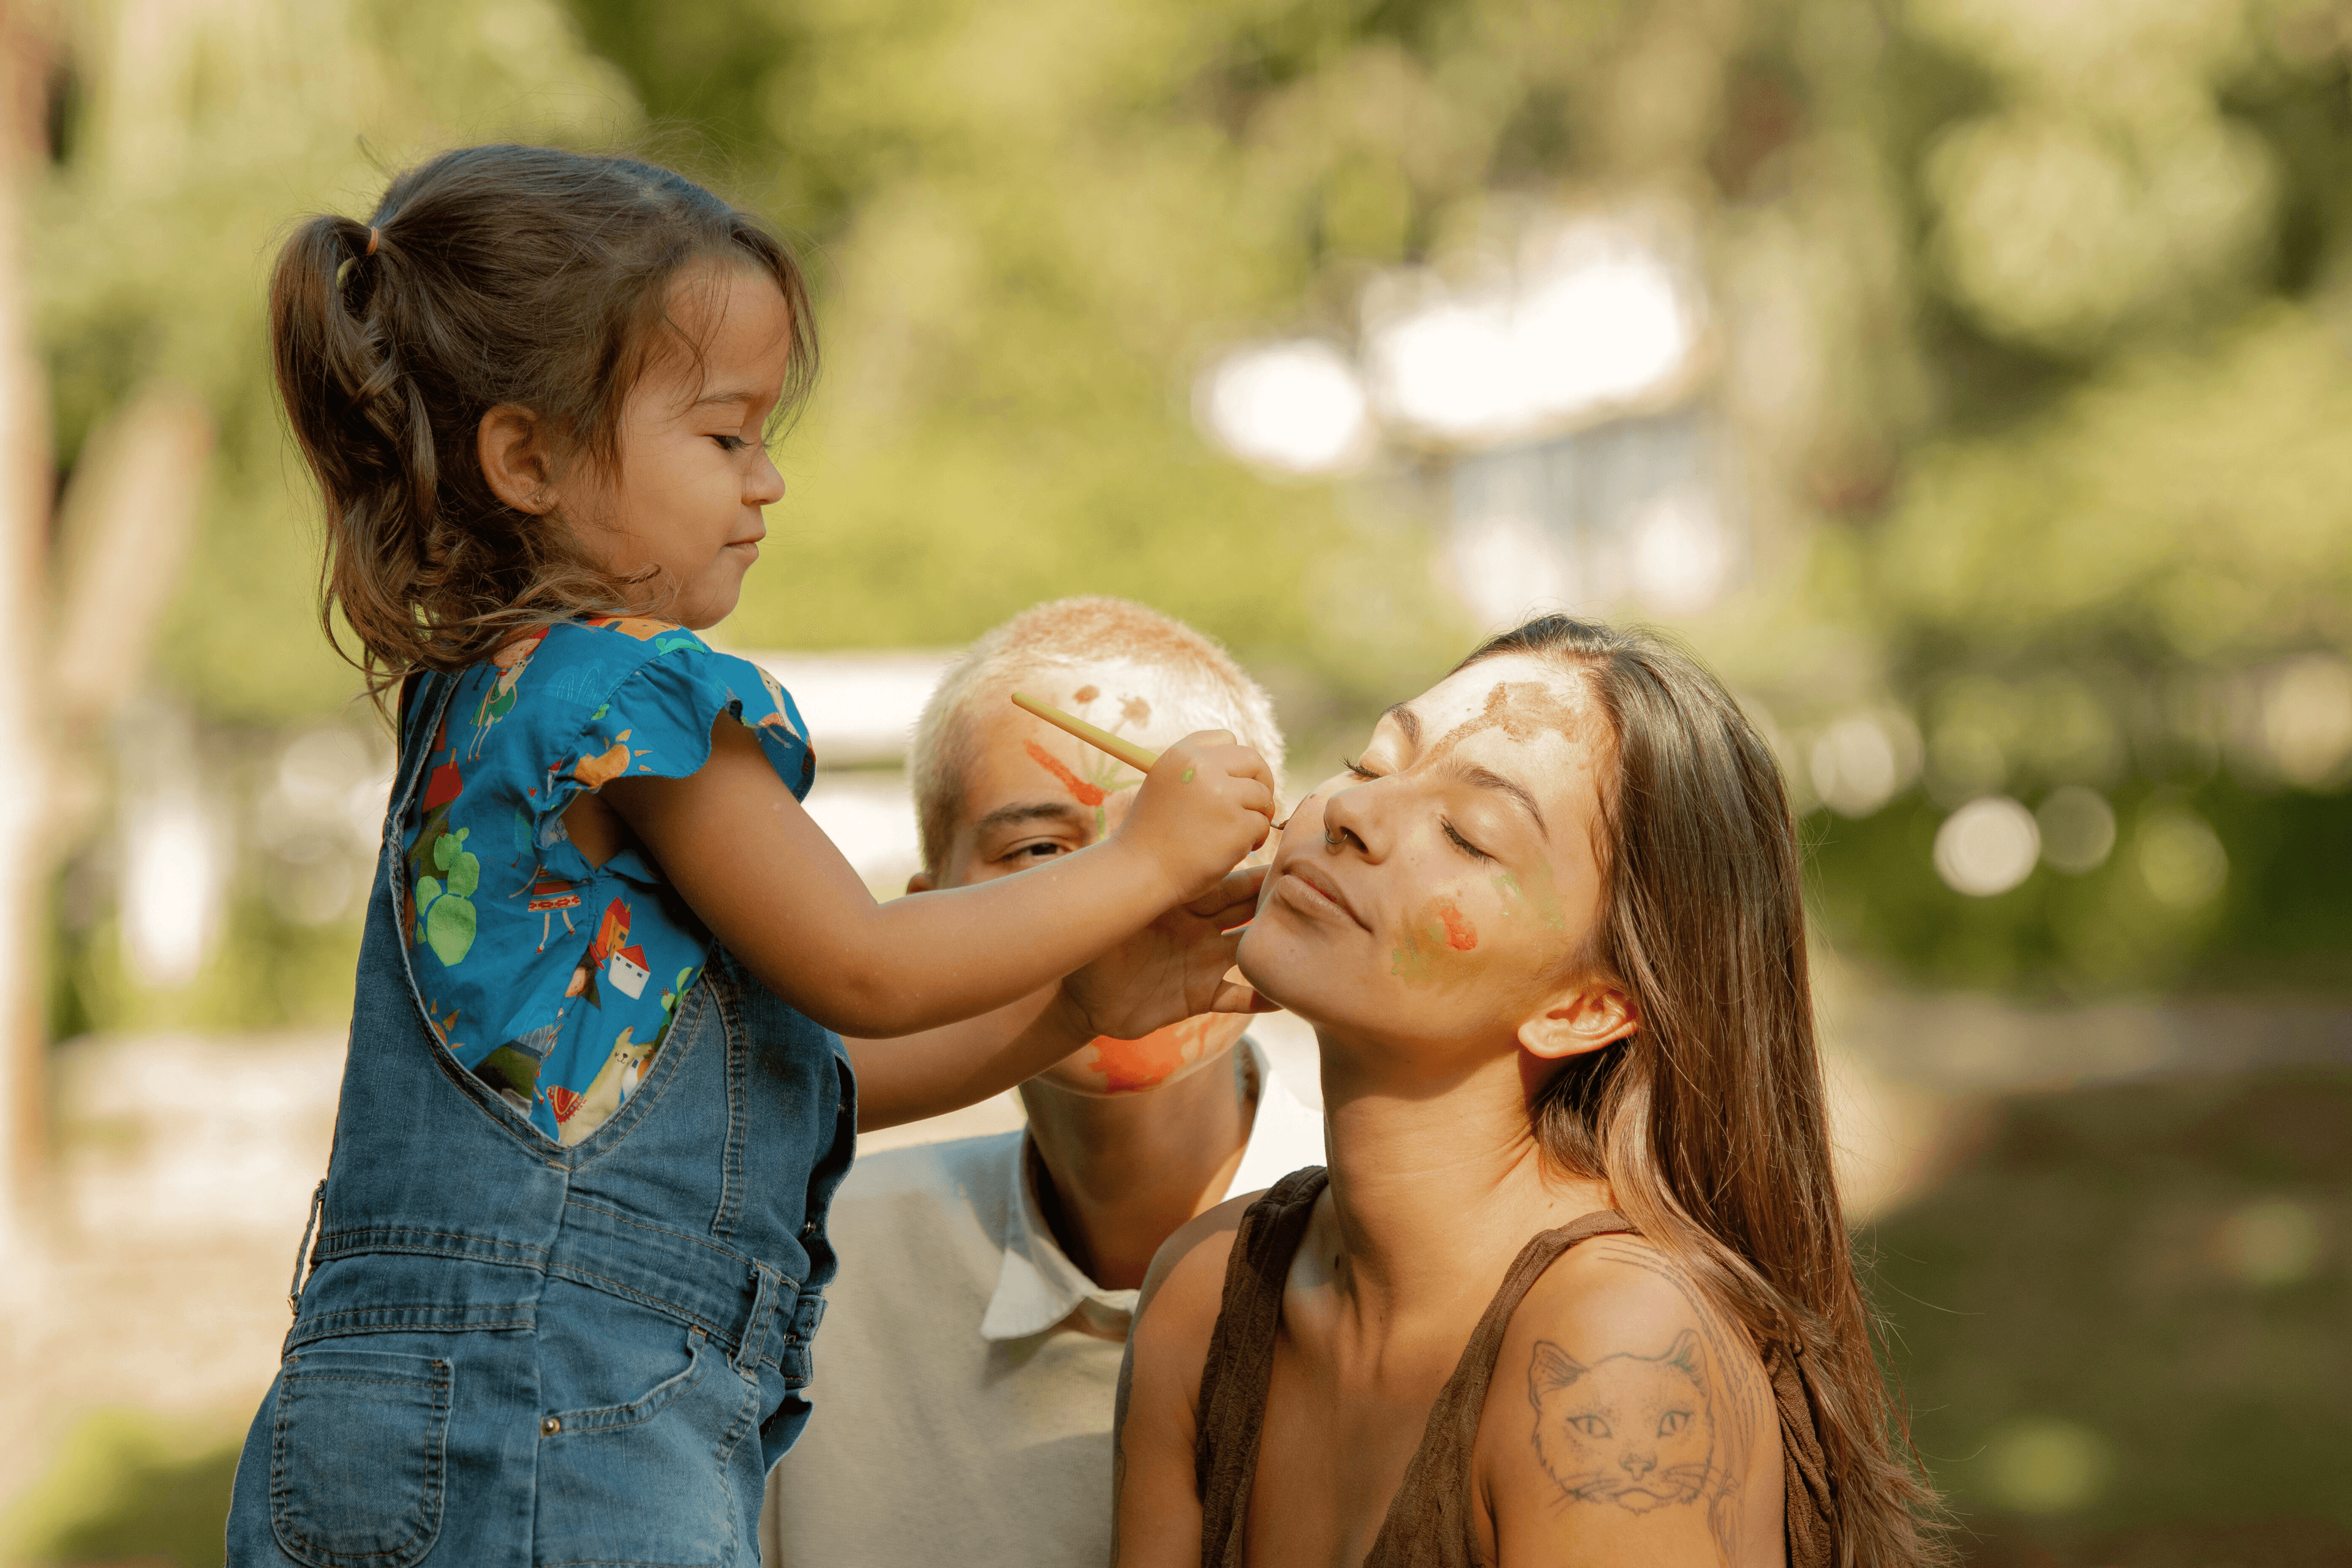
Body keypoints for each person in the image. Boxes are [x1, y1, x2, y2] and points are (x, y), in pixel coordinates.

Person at [225, 145, 1276, 1568]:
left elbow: (790, 1081)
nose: (767, 481)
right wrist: (1145, 859)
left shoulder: (482, 708)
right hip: (565, 1406)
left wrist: (1078, 1004)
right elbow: (863, 965)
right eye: (725, 436)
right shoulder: (634, 694)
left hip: (380, 1405)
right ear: (527, 456)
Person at [1114, 616, 1945, 1567]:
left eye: (1469, 837)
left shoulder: (1618, 1351)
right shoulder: (1205, 1296)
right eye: (1373, 761)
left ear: (1586, 1008)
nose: (1352, 813)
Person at [761, 597, 1325, 1567]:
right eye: (1041, 853)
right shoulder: (801, 1261)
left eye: (1181, 846)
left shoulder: (1401, 1248)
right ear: (932, 923)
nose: (1125, 912)